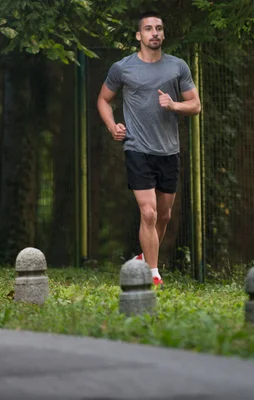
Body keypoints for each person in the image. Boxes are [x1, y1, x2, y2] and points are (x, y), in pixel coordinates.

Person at [97, 11, 201, 288]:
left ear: (163, 34)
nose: (154, 33)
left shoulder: (177, 67)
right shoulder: (122, 68)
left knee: (164, 215)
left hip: (168, 151)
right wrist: (112, 126)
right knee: (149, 213)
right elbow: (103, 100)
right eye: (148, 29)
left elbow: (196, 105)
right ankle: (152, 273)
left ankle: (144, 258)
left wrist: (174, 105)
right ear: (138, 35)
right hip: (137, 148)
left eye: (158, 28)